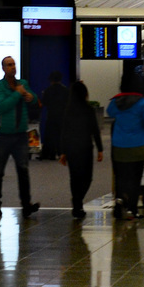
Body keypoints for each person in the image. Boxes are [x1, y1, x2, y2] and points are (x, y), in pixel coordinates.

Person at [0, 55, 38, 215]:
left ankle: (26, 205)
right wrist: (17, 94)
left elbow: (33, 98)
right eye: (9, 65)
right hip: (3, 136)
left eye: (14, 64)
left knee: (23, 170)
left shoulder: (23, 84)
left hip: (21, 136)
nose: (12, 67)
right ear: (3, 68)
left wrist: (31, 97)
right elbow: (2, 106)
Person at [105, 76, 144, 220]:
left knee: (120, 177)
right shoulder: (143, 102)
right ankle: (133, 209)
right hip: (137, 146)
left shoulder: (115, 101)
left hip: (119, 145)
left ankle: (120, 199)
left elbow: (110, 113)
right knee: (135, 179)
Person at [58, 78, 103, 217]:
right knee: (87, 177)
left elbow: (64, 131)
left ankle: (77, 203)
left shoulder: (68, 109)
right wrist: (100, 149)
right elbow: (94, 129)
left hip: (71, 148)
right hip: (85, 147)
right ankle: (77, 202)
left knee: (75, 177)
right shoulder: (88, 109)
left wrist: (63, 152)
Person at [37, 70, 70, 161]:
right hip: (62, 116)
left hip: (51, 115)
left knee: (49, 135)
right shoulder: (66, 90)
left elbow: (45, 103)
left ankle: (49, 154)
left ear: (51, 80)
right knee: (61, 135)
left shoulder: (48, 90)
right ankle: (61, 153)